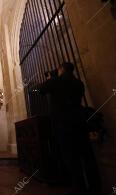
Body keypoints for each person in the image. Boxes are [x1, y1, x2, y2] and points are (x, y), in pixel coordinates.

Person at [39, 62, 101, 195]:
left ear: (61, 69)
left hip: (64, 123)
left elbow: (40, 90)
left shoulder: (55, 81)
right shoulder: (79, 83)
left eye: (59, 70)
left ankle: (79, 189)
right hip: (80, 122)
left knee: (71, 158)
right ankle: (95, 189)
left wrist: (50, 79)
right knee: (87, 156)